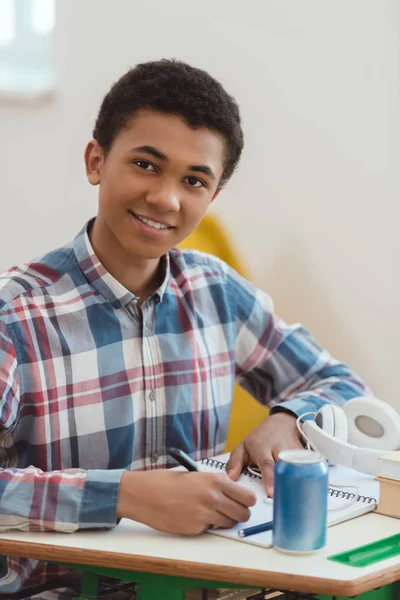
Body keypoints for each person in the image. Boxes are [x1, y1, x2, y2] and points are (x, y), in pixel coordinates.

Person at [0, 59, 369, 598]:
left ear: (212, 196)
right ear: (96, 160)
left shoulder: (216, 291)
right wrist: (123, 495)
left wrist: (291, 419)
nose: (166, 198)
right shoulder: (15, 316)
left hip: (205, 588)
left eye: (194, 180)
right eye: (147, 165)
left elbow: (343, 386)